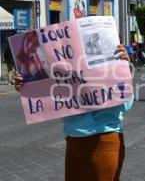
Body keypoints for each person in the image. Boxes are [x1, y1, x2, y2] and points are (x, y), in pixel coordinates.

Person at [15, 45, 133, 181]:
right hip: (74, 139)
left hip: (105, 138)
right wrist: (26, 86)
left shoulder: (113, 62)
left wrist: (125, 73)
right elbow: (50, 96)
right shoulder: (65, 63)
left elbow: (126, 104)